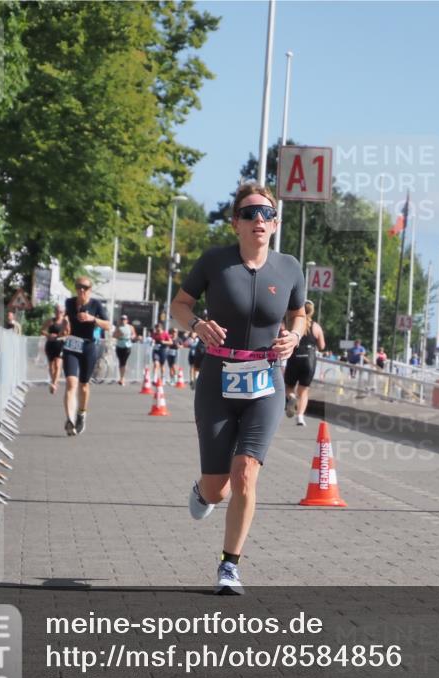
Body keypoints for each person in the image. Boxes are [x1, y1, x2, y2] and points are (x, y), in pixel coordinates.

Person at [170, 182, 306, 595]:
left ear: (276, 223)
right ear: (236, 224)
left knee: (246, 471)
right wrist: (196, 325)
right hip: (218, 379)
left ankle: (229, 566)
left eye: (266, 213)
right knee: (219, 486)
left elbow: (299, 314)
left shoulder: (289, 268)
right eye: (249, 214)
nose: (258, 220)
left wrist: (295, 337)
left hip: (266, 381)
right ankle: (203, 489)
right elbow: (179, 305)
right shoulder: (215, 262)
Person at [61, 277, 111, 436]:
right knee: (70, 382)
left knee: (83, 384)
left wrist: (92, 319)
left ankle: (81, 414)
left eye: (85, 287)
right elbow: (66, 317)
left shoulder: (96, 305)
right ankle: (69, 420)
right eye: (78, 287)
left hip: (88, 346)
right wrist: (65, 323)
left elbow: (109, 325)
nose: (81, 290)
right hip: (72, 344)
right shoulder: (69, 302)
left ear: (90, 289)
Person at [284, 300, 326, 426]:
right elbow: (322, 346)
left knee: (289, 387)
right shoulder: (316, 326)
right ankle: (300, 417)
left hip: (294, 357)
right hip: (309, 359)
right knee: (304, 391)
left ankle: (291, 398)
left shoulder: (293, 325)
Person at [41, 304, 66, 394]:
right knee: (51, 366)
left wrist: (62, 336)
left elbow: (70, 332)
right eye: (57, 311)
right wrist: (48, 335)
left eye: (61, 312)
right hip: (50, 344)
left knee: (58, 365)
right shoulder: (50, 321)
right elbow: (42, 330)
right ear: (55, 311)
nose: (59, 313)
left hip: (60, 344)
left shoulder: (65, 322)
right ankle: (53, 380)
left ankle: (54, 384)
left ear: (63, 313)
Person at [113, 314, 137, 386]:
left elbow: (134, 334)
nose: (123, 321)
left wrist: (132, 337)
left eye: (124, 319)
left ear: (127, 320)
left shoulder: (130, 327)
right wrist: (119, 335)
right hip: (119, 345)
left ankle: (122, 378)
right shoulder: (118, 327)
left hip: (127, 346)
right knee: (121, 362)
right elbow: (114, 335)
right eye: (122, 319)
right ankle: (121, 377)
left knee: (123, 362)